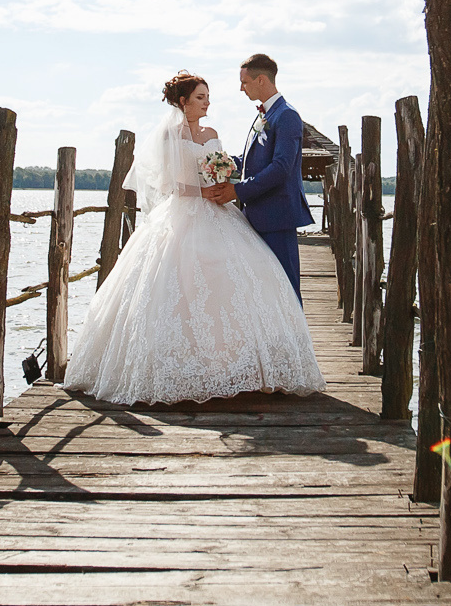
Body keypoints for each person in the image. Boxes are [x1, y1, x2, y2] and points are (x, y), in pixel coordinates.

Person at [63, 70, 323, 406]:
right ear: (183, 102)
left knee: (240, 282)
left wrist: (226, 178)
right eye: (200, 97)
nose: (207, 102)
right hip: (185, 211)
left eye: (207, 96)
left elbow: (231, 165)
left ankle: (253, 363)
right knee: (181, 283)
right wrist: (204, 190)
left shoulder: (215, 131)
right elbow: (170, 184)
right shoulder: (169, 136)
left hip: (220, 211)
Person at [206, 53, 313, 298]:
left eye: (244, 82)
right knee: (264, 288)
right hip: (257, 214)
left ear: (261, 80)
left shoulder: (286, 115)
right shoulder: (264, 114)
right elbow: (253, 160)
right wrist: (221, 164)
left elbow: (281, 167)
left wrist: (238, 190)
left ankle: (295, 337)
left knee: (285, 287)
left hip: (277, 216)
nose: (241, 88)